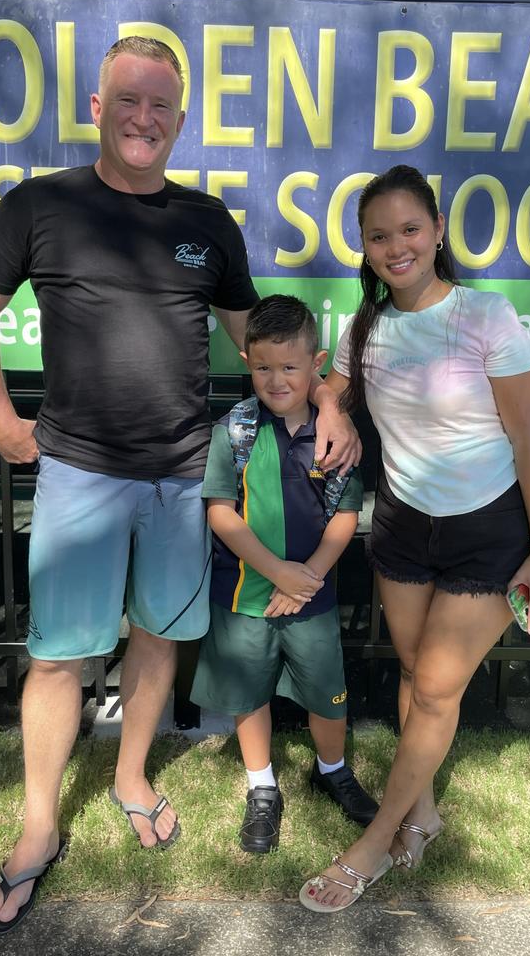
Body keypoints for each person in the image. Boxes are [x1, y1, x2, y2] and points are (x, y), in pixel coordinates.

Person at [0, 37, 359, 933]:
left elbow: (261, 331)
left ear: (180, 119)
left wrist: (328, 396)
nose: (144, 119)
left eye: (161, 106)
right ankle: (37, 827)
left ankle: (131, 775)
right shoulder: (40, 205)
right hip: (79, 469)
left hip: (180, 476)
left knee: (155, 640)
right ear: (98, 108)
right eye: (128, 101)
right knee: (59, 654)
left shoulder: (207, 219)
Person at [299, 165, 530, 912]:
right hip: (404, 527)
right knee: (417, 675)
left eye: (410, 229)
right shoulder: (369, 325)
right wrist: (331, 406)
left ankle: (373, 842)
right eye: (379, 235)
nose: (396, 246)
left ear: (439, 231)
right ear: (365, 246)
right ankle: (425, 811)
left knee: (439, 687)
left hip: (488, 531)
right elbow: (333, 383)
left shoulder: (487, 315)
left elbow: (529, 442)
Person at [190, 295, 378, 853]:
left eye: (290, 367)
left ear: (316, 362)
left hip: (312, 600)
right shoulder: (233, 432)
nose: (276, 380)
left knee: (326, 695)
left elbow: (345, 514)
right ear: (245, 359)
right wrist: (277, 573)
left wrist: (310, 577)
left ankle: (333, 769)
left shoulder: (334, 437)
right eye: (263, 366)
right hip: (246, 595)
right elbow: (220, 512)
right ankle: (262, 787)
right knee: (249, 694)